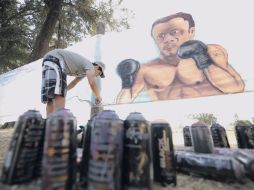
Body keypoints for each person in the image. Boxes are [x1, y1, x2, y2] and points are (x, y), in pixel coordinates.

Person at [116, 12, 245, 103]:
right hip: (168, 120)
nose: (168, 39)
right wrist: (126, 80)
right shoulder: (145, 69)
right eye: (161, 36)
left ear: (191, 32)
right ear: (155, 40)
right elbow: (123, 103)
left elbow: (235, 88)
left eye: (175, 32)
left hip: (212, 116)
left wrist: (203, 58)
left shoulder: (210, 51)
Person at [41, 49, 105, 116]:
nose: (97, 75)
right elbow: (92, 83)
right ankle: (58, 122)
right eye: (99, 73)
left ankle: (49, 122)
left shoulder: (83, 72)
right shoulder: (90, 66)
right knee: (59, 95)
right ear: (97, 67)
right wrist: (98, 97)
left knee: (52, 95)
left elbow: (74, 82)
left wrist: (65, 89)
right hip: (56, 59)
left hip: (49, 60)